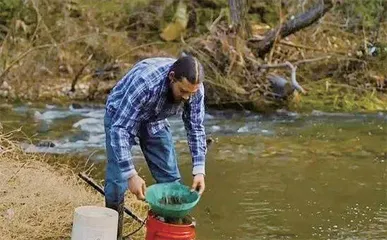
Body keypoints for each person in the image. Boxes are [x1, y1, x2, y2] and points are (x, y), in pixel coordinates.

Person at [103, 55, 207, 239]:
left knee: (170, 179)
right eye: (182, 91)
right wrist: (131, 175)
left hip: (155, 119)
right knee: (117, 180)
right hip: (120, 115)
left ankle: (168, 231)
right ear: (172, 77)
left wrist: (199, 170)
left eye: (190, 93)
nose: (186, 97)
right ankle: (113, 235)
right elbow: (120, 130)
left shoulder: (194, 89)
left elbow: (196, 127)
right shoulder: (145, 83)